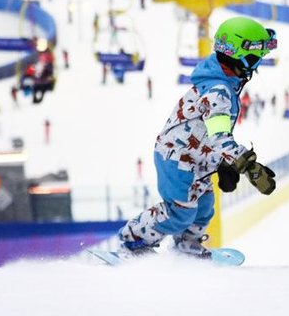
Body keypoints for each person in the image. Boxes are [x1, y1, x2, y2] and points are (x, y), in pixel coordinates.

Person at [117, 17, 279, 258]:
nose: (257, 65)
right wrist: (248, 166)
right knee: (179, 212)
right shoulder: (218, 92)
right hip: (177, 158)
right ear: (238, 56)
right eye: (256, 58)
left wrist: (222, 162)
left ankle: (187, 247)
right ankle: (133, 241)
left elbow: (210, 134)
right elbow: (219, 138)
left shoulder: (225, 83)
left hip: (198, 159)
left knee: (203, 209)